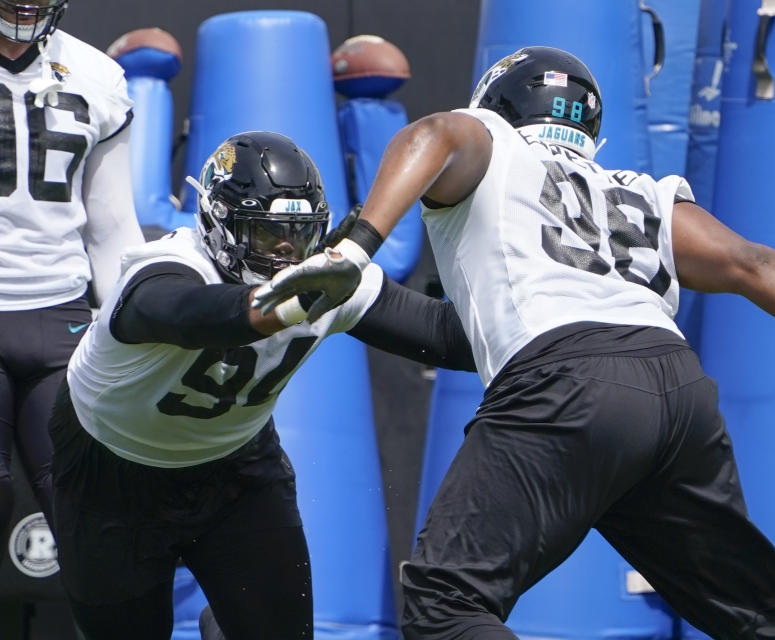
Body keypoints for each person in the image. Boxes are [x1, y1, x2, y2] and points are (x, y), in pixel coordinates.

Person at [254, 47, 775, 639]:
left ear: (497, 105)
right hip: (675, 392)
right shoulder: (639, 190)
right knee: (768, 620)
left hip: (566, 383)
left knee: (446, 600)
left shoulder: (483, 142)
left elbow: (435, 133)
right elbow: (755, 264)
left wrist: (357, 243)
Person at [49, 130, 474, 640]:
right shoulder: (166, 267)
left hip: (236, 466)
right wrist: (290, 302)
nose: (288, 252)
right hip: (110, 469)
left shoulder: (325, 276)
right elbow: (186, 314)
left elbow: (446, 337)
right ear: (216, 224)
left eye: (300, 232)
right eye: (268, 234)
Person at [0, 0, 143, 560]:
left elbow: (112, 227)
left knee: (92, 522)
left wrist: (131, 325)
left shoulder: (97, 75)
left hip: (61, 319)